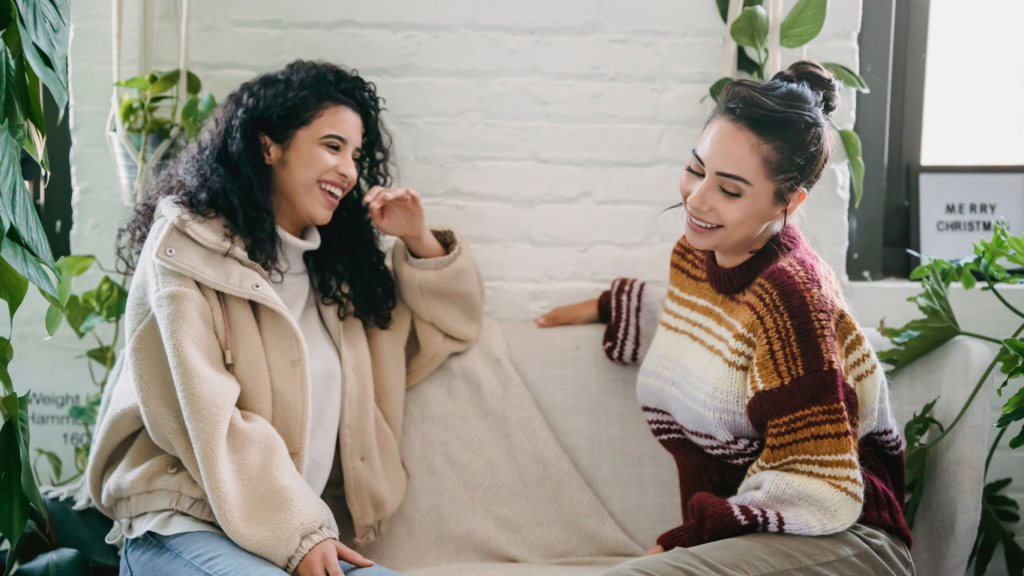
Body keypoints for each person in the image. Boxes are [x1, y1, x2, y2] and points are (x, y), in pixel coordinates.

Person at [85, 60, 484, 576]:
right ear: (270, 145)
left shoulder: (341, 286)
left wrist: (417, 240)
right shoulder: (185, 252)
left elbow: (451, 327)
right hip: (184, 524)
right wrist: (298, 530)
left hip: (294, 538)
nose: (348, 169)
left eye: (356, 155)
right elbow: (209, 421)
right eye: (332, 146)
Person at [536, 61, 915, 576]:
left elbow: (811, 477)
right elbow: (713, 328)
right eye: (696, 169)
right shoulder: (699, 257)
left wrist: (684, 542)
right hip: (755, 536)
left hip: (841, 535)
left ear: (789, 200)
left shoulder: (791, 296)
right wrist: (609, 307)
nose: (697, 197)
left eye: (730, 190)